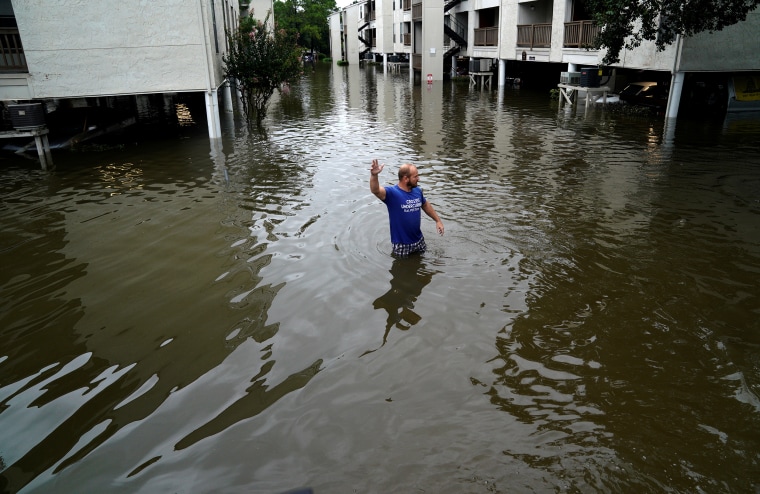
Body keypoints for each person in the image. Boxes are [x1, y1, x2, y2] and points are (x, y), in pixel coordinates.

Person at [369, 158, 444, 257]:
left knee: (422, 264)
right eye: (415, 177)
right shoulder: (392, 193)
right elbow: (375, 190)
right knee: (402, 270)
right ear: (405, 179)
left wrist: (437, 220)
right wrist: (374, 175)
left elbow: (425, 204)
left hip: (419, 241)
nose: (419, 179)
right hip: (402, 245)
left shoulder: (417, 190)